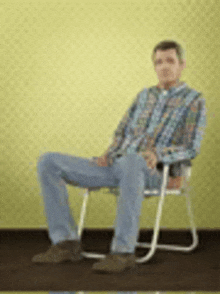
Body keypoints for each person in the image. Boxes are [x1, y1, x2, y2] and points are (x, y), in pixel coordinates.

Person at [32, 40, 206, 274]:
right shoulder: (143, 96)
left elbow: (191, 146)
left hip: (156, 171)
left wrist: (160, 154)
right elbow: (121, 133)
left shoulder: (194, 100)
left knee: (134, 160)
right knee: (48, 161)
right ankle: (66, 243)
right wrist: (109, 153)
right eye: (159, 62)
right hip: (118, 165)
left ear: (181, 64)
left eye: (170, 61)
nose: (164, 66)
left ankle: (123, 252)